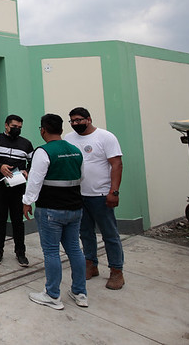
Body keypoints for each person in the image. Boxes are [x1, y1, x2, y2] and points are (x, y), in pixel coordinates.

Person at [23, 113, 87, 310]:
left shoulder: (42, 152)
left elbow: (35, 181)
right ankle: (79, 292)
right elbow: (81, 176)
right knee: (75, 250)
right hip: (75, 208)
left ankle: (52, 295)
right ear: (61, 129)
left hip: (51, 210)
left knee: (51, 252)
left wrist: (27, 202)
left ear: (43, 130)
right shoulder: (75, 150)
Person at [64, 107, 125, 290]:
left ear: (88, 119)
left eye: (79, 120)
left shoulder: (105, 137)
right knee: (84, 232)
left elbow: (116, 164)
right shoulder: (69, 139)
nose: (76, 124)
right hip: (78, 195)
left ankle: (116, 271)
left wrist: (114, 191)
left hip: (101, 195)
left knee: (110, 234)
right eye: (72, 121)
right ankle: (90, 264)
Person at [0, 114, 34, 266]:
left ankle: (21, 253)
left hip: (18, 188)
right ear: (6, 125)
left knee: (18, 221)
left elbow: (33, 161)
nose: (17, 129)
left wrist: (27, 171)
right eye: (14, 127)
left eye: (19, 127)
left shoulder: (26, 143)